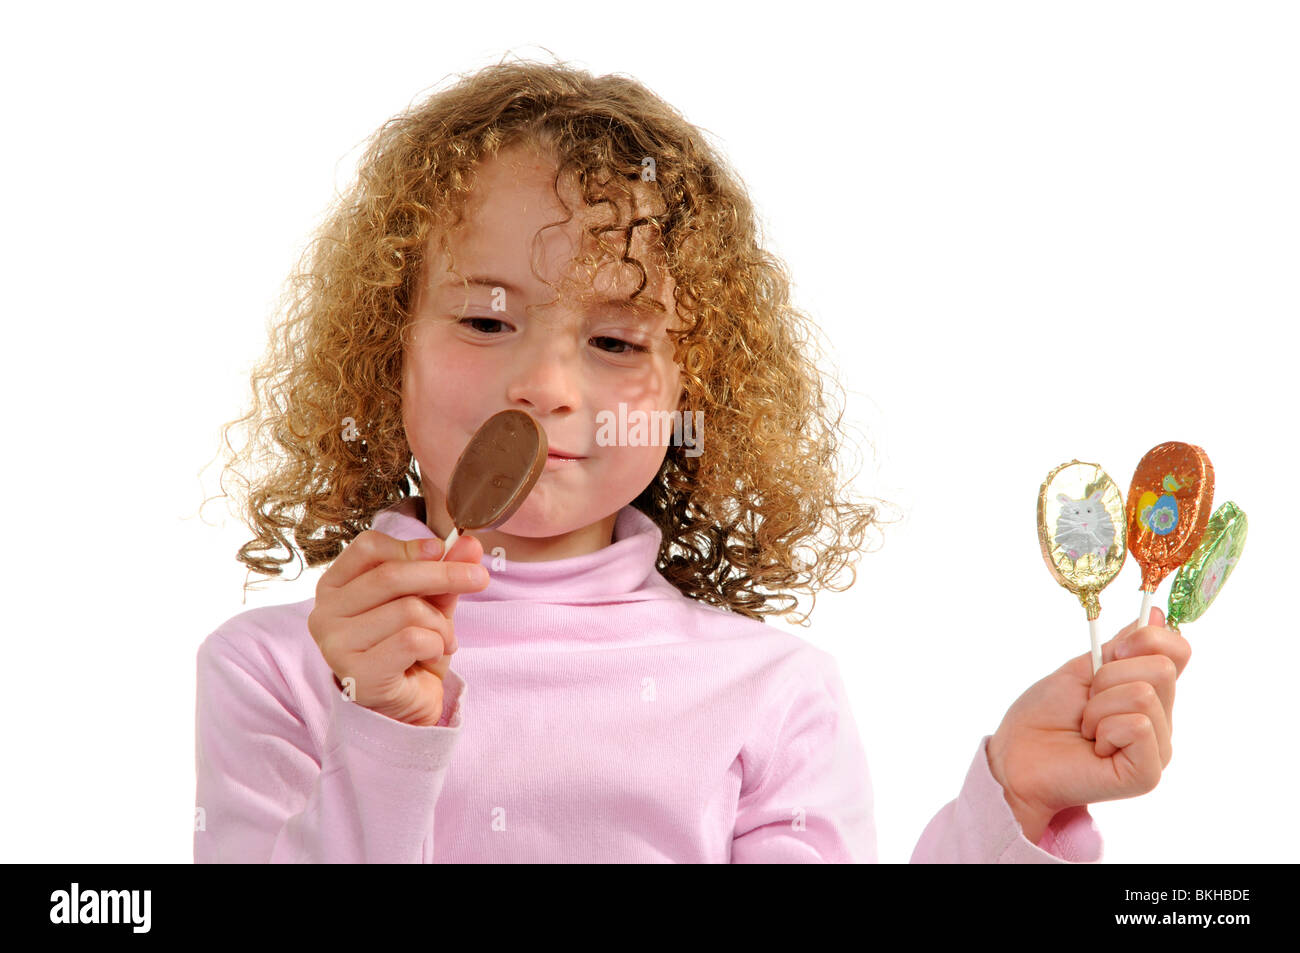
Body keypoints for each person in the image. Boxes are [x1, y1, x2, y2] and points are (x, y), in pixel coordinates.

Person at [196, 59, 1190, 862]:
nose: (545, 383)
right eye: (486, 317)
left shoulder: (770, 692)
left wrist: (1010, 806)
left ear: (689, 397)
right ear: (386, 350)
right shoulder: (278, 673)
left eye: (616, 342)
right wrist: (383, 735)